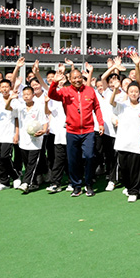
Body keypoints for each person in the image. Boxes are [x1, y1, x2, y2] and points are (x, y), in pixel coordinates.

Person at [48, 65, 104, 197]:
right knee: (73, 160)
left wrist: (100, 123)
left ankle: (89, 183)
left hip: (88, 130)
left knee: (90, 156)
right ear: (70, 79)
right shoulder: (65, 91)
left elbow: (96, 107)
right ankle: (76, 186)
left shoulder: (90, 91)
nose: (77, 80)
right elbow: (52, 95)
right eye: (74, 78)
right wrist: (55, 82)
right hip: (72, 131)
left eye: (79, 77)